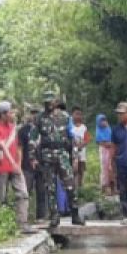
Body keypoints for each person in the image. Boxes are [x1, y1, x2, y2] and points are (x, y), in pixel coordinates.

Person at [35, 93, 85, 227]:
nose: (48, 105)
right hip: (47, 157)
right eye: (46, 102)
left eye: (50, 102)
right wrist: (32, 157)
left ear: (55, 102)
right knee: (50, 188)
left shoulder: (65, 117)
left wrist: (74, 157)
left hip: (63, 155)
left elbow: (72, 138)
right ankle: (54, 216)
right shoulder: (39, 118)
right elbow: (33, 138)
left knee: (70, 186)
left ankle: (75, 214)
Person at [0, 101, 33, 233]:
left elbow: (18, 147)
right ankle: (0, 226)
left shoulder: (13, 126)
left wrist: (17, 164)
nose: (12, 114)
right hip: (1, 166)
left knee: (23, 193)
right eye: (10, 112)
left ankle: (22, 223)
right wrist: (12, 162)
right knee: (1, 197)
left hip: (14, 166)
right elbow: (3, 146)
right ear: (3, 114)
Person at [19, 106, 45, 221]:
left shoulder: (45, 129)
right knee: (26, 192)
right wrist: (18, 164)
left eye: (37, 113)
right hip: (26, 165)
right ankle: (24, 217)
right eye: (33, 113)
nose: (35, 116)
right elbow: (19, 148)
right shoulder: (23, 130)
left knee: (42, 192)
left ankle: (42, 216)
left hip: (42, 165)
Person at [70, 107, 91, 192]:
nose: (78, 116)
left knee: (81, 169)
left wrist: (82, 145)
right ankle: (73, 186)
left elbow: (87, 138)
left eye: (80, 114)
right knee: (74, 169)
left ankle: (80, 186)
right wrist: (75, 146)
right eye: (76, 114)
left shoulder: (84, 127)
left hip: (82, 152)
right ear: (72, 115)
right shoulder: (70, 127)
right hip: (73, 151)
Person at [95, 114, 116, 196]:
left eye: (105, 120)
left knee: (112, 168)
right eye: (102, 120)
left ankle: (113, 187)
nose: (104, 122)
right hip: (104, 151)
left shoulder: (108, 129)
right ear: (98, 122)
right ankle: (105, 187)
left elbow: (112, 138)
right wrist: (108, 144)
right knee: (105, 168)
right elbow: (100, 142)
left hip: (111, 150)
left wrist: (111, 144)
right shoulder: (98, 131)